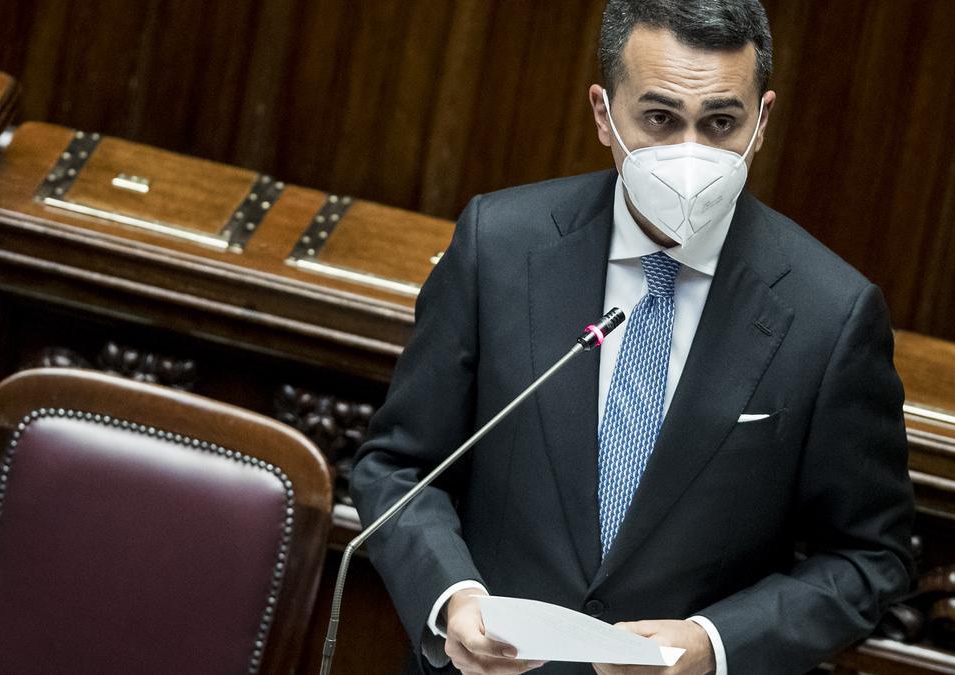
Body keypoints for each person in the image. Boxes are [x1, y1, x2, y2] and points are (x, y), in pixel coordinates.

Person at [350, 1, 915, 673]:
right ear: (602, 112)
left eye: (721, 123)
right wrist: (453, 596)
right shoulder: (499, 245)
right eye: (659, 119)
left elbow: (871, 556)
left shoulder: (831, 315)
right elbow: (399, 465)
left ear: (762, 122)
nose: (690, 153)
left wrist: (715, 642)